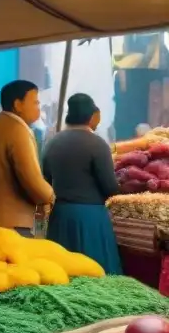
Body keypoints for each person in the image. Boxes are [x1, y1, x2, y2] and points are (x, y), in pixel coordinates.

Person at [41, 94, 121, 274]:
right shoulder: (97, 144)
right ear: (92, 116)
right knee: (95, 274)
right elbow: (110, 187)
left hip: (60, 216)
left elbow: (44, 180)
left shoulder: (51, 143)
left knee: (61, 276)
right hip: (90, 218)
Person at [0, 80, 54, 234]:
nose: (39, 107)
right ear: (18, 105)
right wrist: (51, 197)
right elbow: (31, 179)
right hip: (13, 221)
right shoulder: (17, 131)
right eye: (35, 102)